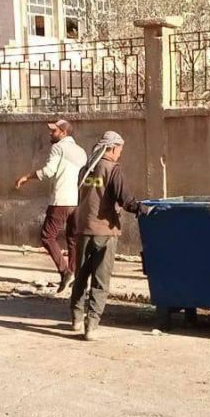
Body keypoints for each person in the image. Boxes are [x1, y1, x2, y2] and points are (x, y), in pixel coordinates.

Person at [70, 131, 142, 341]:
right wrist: (142, 208)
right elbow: (126, 199)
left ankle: (75, 318)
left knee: (81, 276)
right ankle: (91, 325)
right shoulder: (112, 169)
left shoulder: (86, 169)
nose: (120, 154)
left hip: (83, 228)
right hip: (105, 231)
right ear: (111, 148)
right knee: (101, 280)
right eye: (119, 149)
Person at [15, 120, 88, 293]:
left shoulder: (58, 148)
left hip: (61, 200)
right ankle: (74, 272)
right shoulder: (81, 151)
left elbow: (48, 171)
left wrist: (27, 177)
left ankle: (65, 272)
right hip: (77, 201)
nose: (50, 133)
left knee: (47, 236)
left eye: (53, 131)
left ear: (63, 132)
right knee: (72, 238)